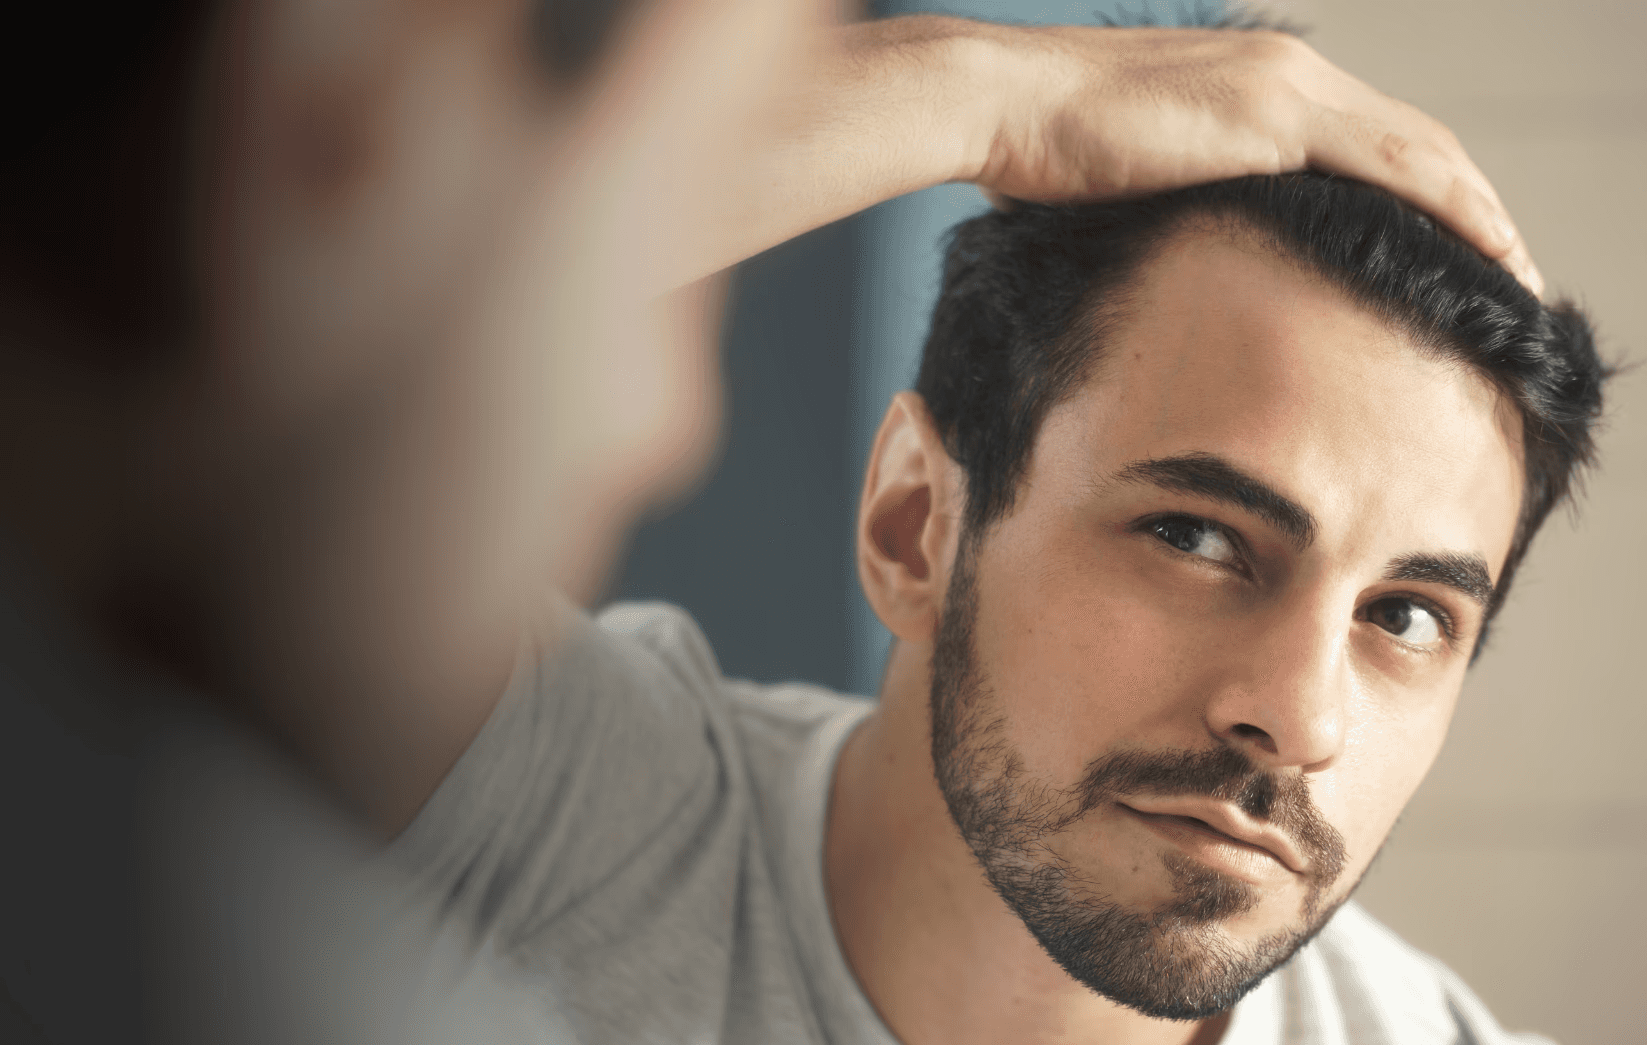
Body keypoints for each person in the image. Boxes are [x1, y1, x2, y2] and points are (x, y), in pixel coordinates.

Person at [0, 0, 1566, 1042]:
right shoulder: (549, 804)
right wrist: (994, 90)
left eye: (1406, 617)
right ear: (910, 524)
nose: (1295, 714)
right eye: (1195, 536)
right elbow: (228, 381)